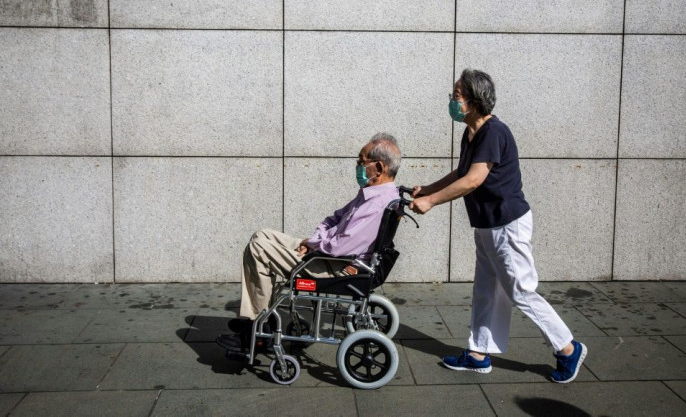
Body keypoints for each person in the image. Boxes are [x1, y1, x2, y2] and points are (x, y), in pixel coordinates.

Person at [409, 69, 587, 383]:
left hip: (507, 224)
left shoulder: (494, 132)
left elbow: (474, 180)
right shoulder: (472, 133)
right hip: (488, 226)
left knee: (521, 291)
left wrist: (432, 202)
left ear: (474, 101)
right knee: (485, 291)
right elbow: (462, 172)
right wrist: (428, 190)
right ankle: (478, 354)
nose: (452, 100)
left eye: (457, 94)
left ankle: (568, 348)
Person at [217, 133, 401, 354]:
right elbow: (334, 219)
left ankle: (254, 329)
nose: (358, 166)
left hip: (336, 266)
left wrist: (314, 245)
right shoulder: (373, 195)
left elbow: (340, 247)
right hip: (327, 252)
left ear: (379, 168)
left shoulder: (376, 204)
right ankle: (258, 316)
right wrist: (313, 241)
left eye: (362, 161)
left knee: (258, 250)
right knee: (261, 236)